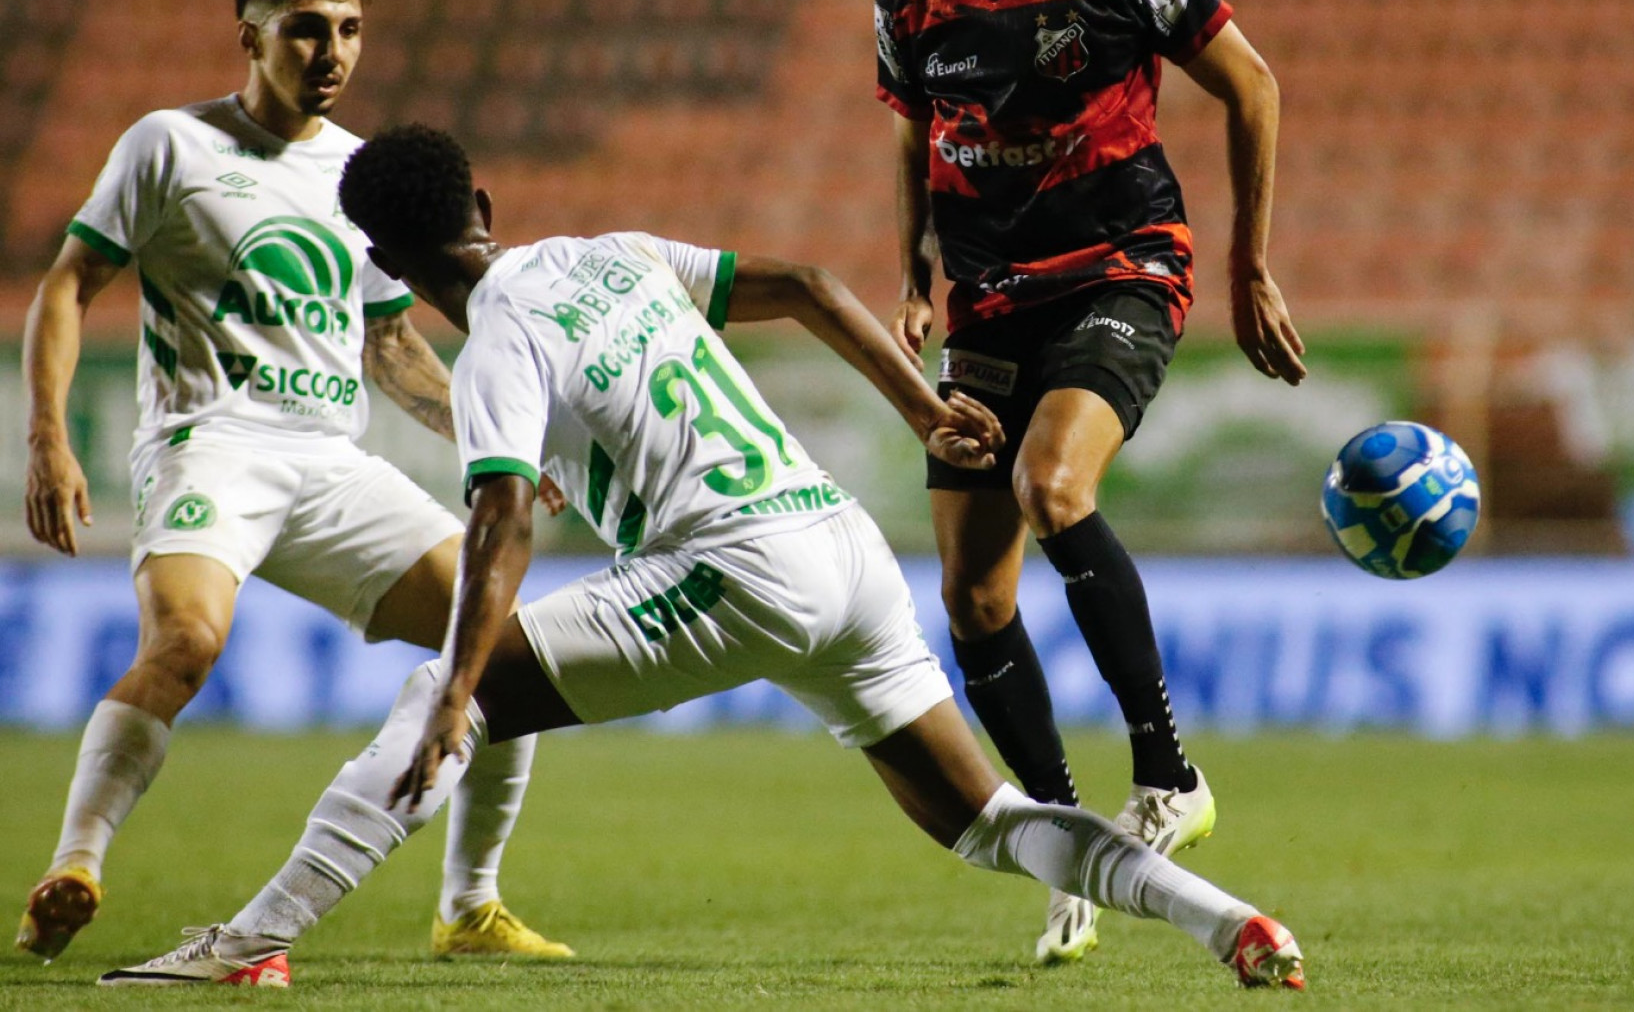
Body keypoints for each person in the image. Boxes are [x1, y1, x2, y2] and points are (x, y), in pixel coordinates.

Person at [97, 125, 1306, 990]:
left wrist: (462, 689)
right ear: (487, 204)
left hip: (732, 570)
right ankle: (1229, 921)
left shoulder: (498, 336)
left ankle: (247, 940)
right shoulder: (606, 253)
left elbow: (503, 516)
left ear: (392, 267)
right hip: (842, 549)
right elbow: (814, 285)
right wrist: (923, 409)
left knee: (429, 698)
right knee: (988, 817)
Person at [16, 0, 567, 963]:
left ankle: (469, 908)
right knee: (185, 644)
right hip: (207, 443)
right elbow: (67, 285)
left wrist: (500, 441)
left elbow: (390, 346)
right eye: (307, 27)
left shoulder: (354, 176)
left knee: (502, 642)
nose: (332, 50)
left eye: (349, 29)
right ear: (252, 35)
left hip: (328, 460)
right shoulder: (168, 145)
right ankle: (75, 864)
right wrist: (47, 436)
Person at [874, 0, 1306, 961]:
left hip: (1119, 264)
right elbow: (913, 137)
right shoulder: (906, 2)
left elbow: (1251, 84)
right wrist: (913, 271)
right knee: (971, 597)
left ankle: (1167, 774)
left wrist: (1245, 265)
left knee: (1053, 488)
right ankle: (1073, 841)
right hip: (989, 304)